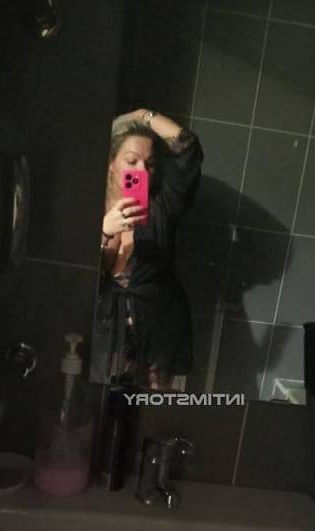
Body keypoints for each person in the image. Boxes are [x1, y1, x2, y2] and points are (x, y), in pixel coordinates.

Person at [97, 108, 203, 390]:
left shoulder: (163, 205)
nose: (142, 171)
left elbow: (188, 147)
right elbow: (80, 274)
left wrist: (144, 115)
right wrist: (106, 230)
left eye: (150, 164)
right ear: (110, 163)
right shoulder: (90, 207)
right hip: (106, 336)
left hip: (160, 333)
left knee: (151, 409)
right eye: (132, 161)